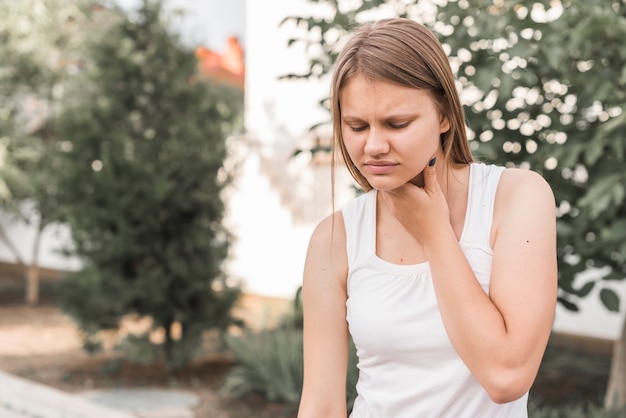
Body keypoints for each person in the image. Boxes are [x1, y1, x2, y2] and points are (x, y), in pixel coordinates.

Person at [296, 17, 557, 418]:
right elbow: (321, 405)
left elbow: (506, 377)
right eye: (356, 126)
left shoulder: (516, 198)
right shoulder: (334, 239)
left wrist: (434, 231)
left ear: (445, 116)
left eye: (397, 124)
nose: (374, 145)